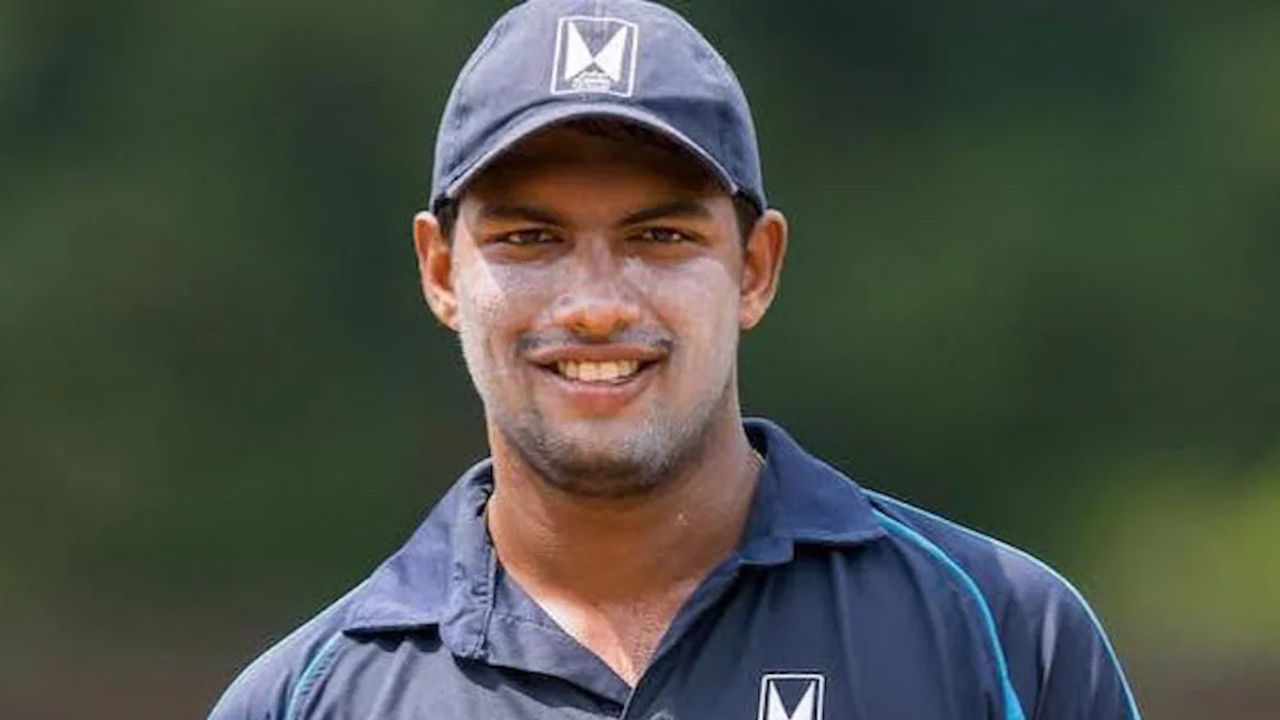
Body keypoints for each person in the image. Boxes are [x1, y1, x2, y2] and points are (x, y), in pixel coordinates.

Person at [207, 1, 1143, 718]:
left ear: (755, 269)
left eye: (659, 236)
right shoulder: (306, 699)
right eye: (531, 238)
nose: (596, 304)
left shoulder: (1003, 638)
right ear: (442, 271)